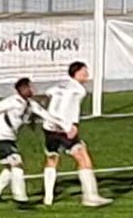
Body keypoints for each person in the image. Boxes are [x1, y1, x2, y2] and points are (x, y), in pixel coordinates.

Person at [0, 78, 63, 204]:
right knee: (17, 163)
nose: (33, 89)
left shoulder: (30, 104)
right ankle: (20, 198)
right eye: (30, 87)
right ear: (23, 89)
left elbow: (45, 115)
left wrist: (63, 125)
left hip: (10, 138)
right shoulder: (12, 101)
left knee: (10, 166)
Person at [41, 61, 112, 207]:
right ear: (76, 73)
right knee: (83, 158)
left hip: (49, 128)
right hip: (63, 129)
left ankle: (48, 197)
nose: (87, 75)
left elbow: (48, 96)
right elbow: (67, 107)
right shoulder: (78, 90)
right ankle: (90, 197)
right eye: (84, 72)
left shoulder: (58, 86)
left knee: (52, 158)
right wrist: (71, 125)